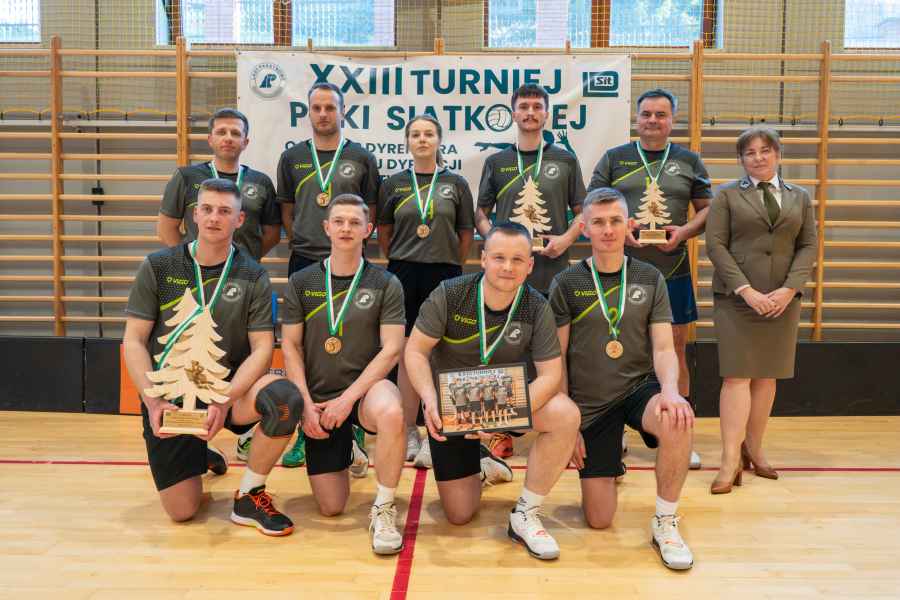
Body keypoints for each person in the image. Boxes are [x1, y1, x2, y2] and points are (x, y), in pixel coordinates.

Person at [124, 178, 302, 536]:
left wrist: (224, 399)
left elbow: (262, 348)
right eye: (206, 209)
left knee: (284, 399)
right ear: (194, 214)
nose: (214, 218)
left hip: (227, 394)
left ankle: (249, 494)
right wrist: (153, 400)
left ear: (239, 220)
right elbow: (134, 340)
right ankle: (198, 452)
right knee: (182, 512)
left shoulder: (253, 275)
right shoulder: (159, 266)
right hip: (173, 400)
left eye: (224, 211)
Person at [405, 222, 581, 561]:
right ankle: (484, 465)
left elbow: (550, 376)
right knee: (459, 514)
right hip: (455, 406)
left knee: (565, 414)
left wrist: (497, 416)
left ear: (530, 265)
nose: (507, 267)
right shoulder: (450, 293)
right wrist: (429, 399)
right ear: (483, 258)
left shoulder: (536, 306)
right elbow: (415, 351)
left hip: (509, 400)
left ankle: (526, 512)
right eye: (499, 257)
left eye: (518, 259)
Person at [549, 187, 696, 570]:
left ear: (629, 225)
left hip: (637, 390)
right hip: (590, 403)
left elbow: (663, 348)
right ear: (584, 229)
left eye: (616, 221)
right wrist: (569, 422)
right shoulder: (567, 282)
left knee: (678, 419)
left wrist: (671, 392)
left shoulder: (650, 277)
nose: (608, 230)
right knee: (599, 519)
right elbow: (557, 357)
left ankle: (665, 521)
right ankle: (611, 456)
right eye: (598, 222)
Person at [240, 82, 380, 469]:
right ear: (308, 112)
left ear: (342, 112)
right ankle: (305, 425)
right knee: (305, 346)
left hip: (352, 264)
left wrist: (348, 244)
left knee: (353, 343)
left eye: (330, 108)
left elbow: (369, 208)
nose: (323, 114)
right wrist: (307, 238)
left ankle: (353, 429)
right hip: (305, 260)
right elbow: (286, 210)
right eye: (316, 108)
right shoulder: (293, 158)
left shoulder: (362, 157)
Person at [589, 88, 710, 470]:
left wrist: (684, 232)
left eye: (661, 114)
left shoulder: (689, 160)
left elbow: (707, 210)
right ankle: (617, 430)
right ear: (637, 118)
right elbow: (592, 205)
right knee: (618, 347)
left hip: (672, 269)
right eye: (646, 114)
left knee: (675, 349)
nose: (653, 120)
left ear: (672, 119)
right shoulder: (615, 158)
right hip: (619, 270)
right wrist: (621, 228)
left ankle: (679, 433)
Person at [280, 193, 407, 554]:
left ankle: (384, 507)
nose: (346, 228)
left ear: (368, 230)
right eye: (339, 221)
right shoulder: (302, 281)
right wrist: (305, 405)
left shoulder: (386, 283)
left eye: (355, 222)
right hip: (320, 400)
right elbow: (290, 346)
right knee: (331, 507)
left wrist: (348, 400)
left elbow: (392, 349)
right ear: (326, 228)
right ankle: (350, 448)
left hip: (364, 395)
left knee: (392, 412)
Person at [476, 83, 586, 460]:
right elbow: (480, 212)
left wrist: (566, 240)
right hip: (507, 275)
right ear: (514, 113)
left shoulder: (565, 160)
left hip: (552, 268)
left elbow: (582, 211)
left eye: (537, 107)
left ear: (546, 114)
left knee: (554, 349)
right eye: (523, 106)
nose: (530, 112)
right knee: (504, 345)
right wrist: (495, 243)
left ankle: (557, 423)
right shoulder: (497, 162)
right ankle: (500, 430)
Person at [705, 126, 817, 494]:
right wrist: (746, 290)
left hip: (783, 301)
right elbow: (716, 246)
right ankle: (729, 459)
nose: (758, 157)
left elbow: (808, 246)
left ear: (778, 154)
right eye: (749, 152)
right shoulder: (725, 196)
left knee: (767, 377)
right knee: (737, 377)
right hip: (737, 300)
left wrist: (789, 289)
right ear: (740, 159)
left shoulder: (800, 197)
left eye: (765, 150)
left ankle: (754, 449)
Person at [376, 115, 475, 468]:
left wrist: (449, 262)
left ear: (439, 140)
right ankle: (408, 429)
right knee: (407, 352)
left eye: (428, 134)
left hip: (445, 272)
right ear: (407, 141)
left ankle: (439, 428)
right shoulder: (393, 184)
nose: (422, 139)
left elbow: (465, 233)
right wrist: (404, 257)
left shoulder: (456, 183)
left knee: (441, 352)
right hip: (403, 272)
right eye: (415, 134)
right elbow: (384, 232)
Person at [157, 108, 281, 262]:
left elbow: (273, 234)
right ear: (210, 139)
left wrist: (248, 259)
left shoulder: (261, 182)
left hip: (243, 272)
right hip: (197, 269)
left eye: (235, 133)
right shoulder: (186, 177)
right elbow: (166, 228)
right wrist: (188, 261)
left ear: (245, 142)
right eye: (221, 132)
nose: (228, 138)